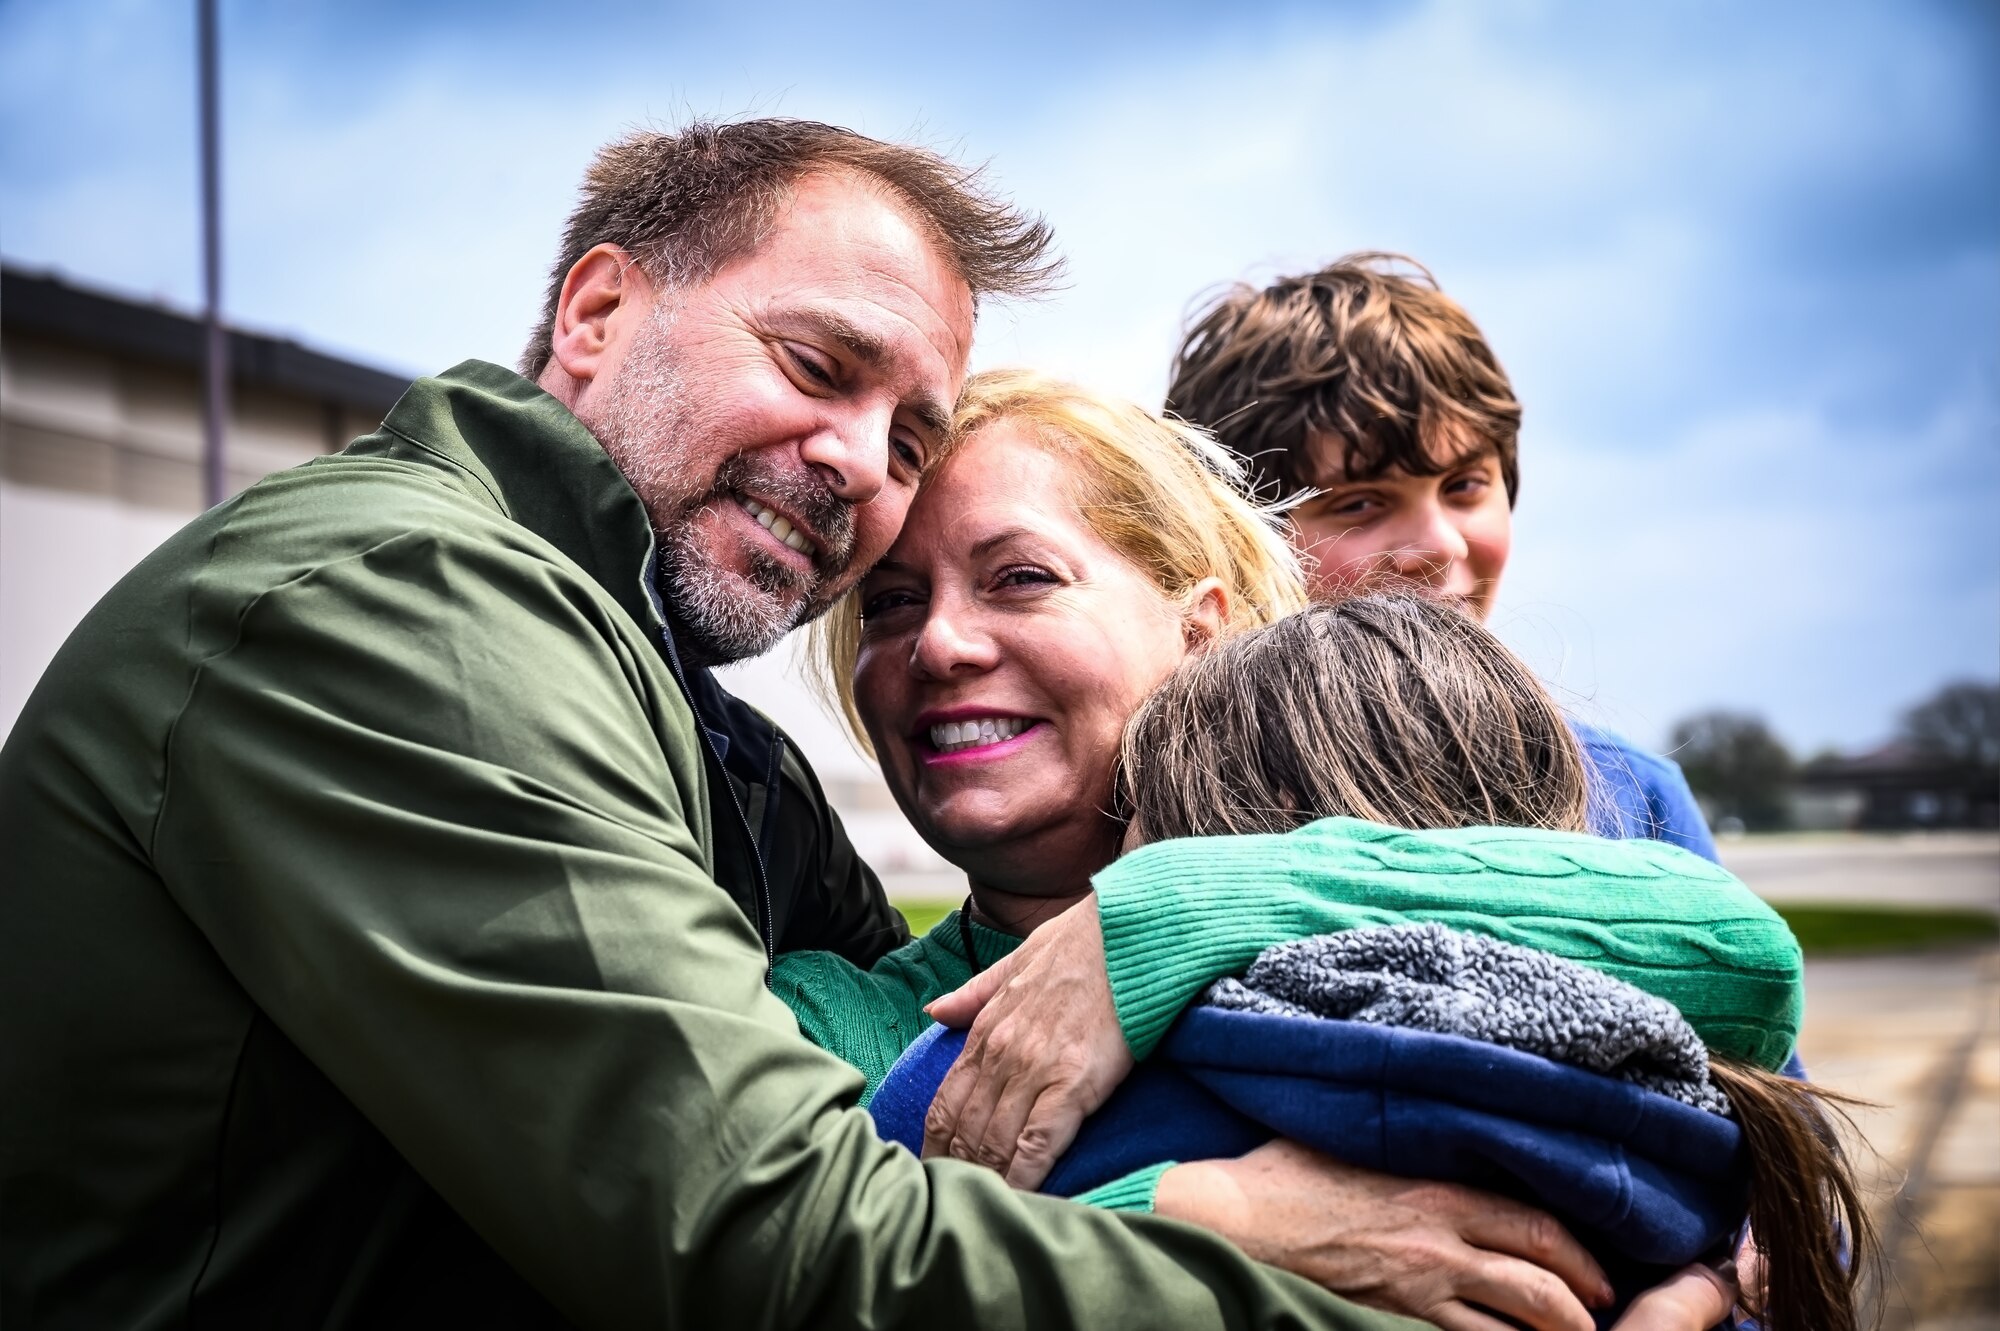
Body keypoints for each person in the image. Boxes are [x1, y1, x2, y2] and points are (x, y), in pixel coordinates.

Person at [0, 119, 1441, 1331]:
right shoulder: (404, 600)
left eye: (909, 437)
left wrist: (1166, 914)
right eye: (819, 367)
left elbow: (929, 1027)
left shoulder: (692, 727)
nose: (857, 467)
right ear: (596, 312)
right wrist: (1250, 1230)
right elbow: (768, 1231)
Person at [783, 369, 1782, 1329]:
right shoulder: (827, 1024)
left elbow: (1740, 954)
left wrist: (1182, 905)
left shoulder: (1433, 894)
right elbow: (786, 1288)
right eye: (890, 602)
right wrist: (1210, 1219)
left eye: (1021, 577)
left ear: (1201, 630)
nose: (939, 643)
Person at [878, 595, 1871, 1331]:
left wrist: (1155, 1212)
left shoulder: (997, 1072)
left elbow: (862, 1275)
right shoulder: (1694, 1115)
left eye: (1135, 825)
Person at [1162, 253, 1718, 861]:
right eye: (1361, 503)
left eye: (1465, 488)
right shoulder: (1160, 799)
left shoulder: (1636, 799)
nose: (1442, 546)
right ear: (1235, 534)